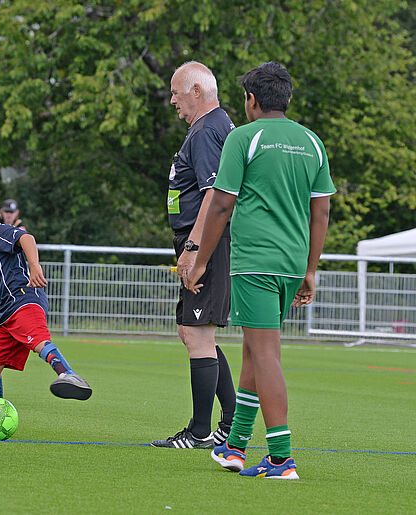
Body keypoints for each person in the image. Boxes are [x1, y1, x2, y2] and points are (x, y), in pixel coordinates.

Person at [184, 62, 334, 479]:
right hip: (290, 264)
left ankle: (282, 457)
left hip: (254, 262)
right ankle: (234, 447)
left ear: (251, 100)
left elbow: (221, 204)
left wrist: (199, 261)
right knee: (254, 349)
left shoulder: (243, 137)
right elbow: (320, 210)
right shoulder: (311, 141)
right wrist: (311, 269)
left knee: (266, 353)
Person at [0, 185, 92, 436]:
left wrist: (34, 266)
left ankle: (68, 374)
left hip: (23, 301)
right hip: (7, 310)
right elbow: (3, 273)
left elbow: (26, 238)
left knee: (38, 340)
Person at [152, 61, 237, 449]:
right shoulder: (214, 126)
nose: (173, 101)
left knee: (199, 335)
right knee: (191, 331)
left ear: (197, 91)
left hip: (204, 242)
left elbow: (213, 195)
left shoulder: (206, 130)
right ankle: (231, 422)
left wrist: (193, 250)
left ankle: (201, 430)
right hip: (202, 240)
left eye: (176, 92)